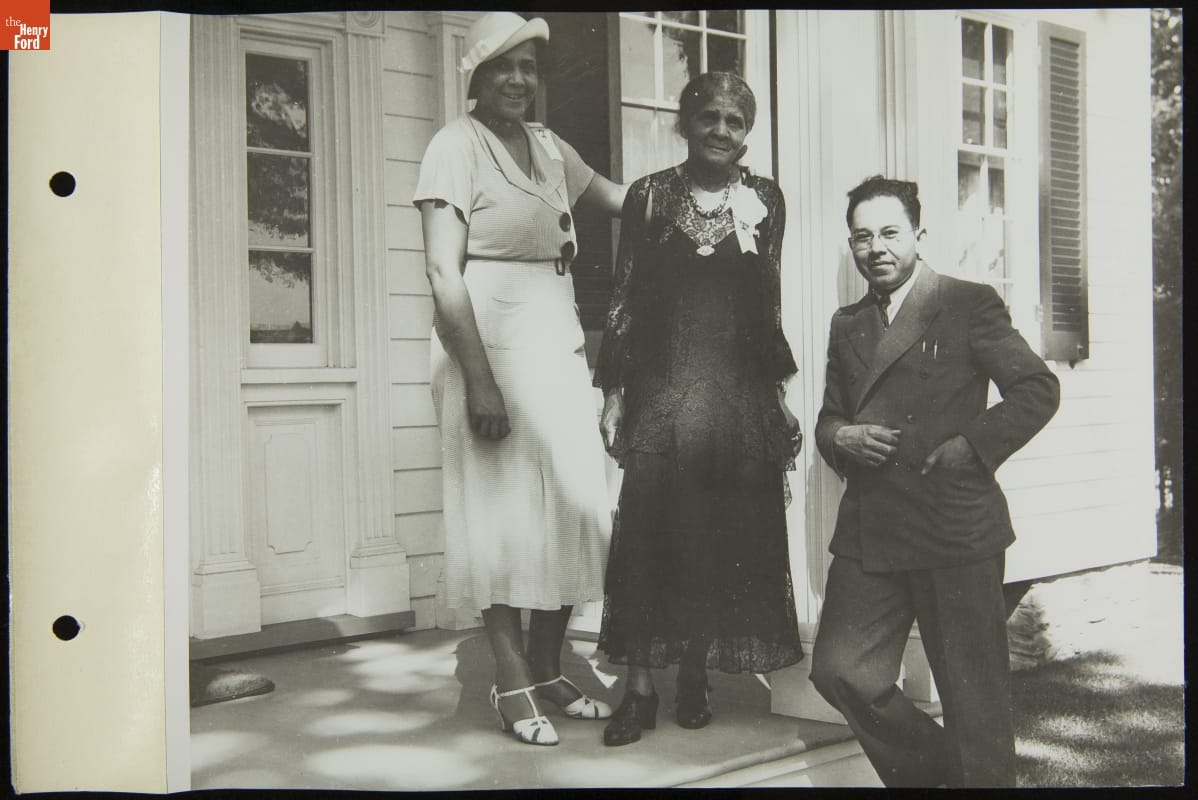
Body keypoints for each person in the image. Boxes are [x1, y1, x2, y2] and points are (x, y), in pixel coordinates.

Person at [413, 11, 627, 747]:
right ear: (475, 75)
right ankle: (510, 678)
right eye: (502, 66)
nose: (517, 79)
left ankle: (547, 665)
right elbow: (443, 272)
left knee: (575, 506)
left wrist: (708, 186)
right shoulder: (454, 146)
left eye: (528, 67)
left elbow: (623, 200)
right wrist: (480, 382)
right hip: (488, 344)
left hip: (555, 340)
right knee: (500, 516)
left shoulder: (548, 145)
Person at [809, 176, 1060, 786]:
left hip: (954, 526)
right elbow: (830, 418)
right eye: (862, 237)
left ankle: (976, 773)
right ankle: (946, 772)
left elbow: (1037, 388)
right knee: (841, 669)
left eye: (890, 232)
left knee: (975, 704)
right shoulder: (847, 324)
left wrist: (971, 446)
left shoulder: (966, 303)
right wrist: (840, 438)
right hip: (872, 527)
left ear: (918, 235)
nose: (876, 247)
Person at [593, 72, 804, 747]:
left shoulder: (765, 199)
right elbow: (624, 299)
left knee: (717, 536)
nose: (720, 129)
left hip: (737, 397)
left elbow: (767, 302)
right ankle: (638, 690)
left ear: (747, 133)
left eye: (734, 120)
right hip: (664, 391)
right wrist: (615, 394)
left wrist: (779, 397)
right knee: (649, 537)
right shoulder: (649, 195)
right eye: (709, 116)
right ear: (685, 123)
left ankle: (693, 673)